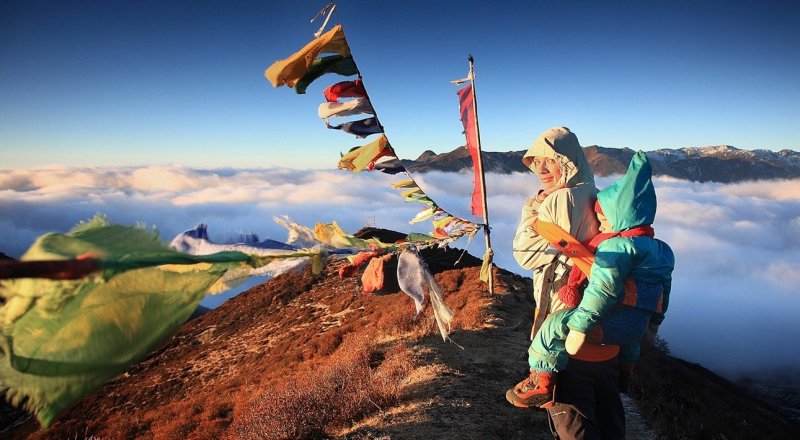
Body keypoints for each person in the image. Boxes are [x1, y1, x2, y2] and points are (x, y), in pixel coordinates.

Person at [507, 151, 675, 417]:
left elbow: (603, 289)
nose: (599, 224)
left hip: (607, 326)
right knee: (630, 325)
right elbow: (663, 293)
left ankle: (540, 382)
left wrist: (579, 326)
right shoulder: (663, 250)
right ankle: (626, 372)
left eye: (604, 218)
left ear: (621, 219)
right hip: (637, 328)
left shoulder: (617, 247)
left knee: (553, 327)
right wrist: (653, 325)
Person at [511, 127, 628, 438]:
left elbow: (526, 253)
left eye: (550, 160)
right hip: (603, 323)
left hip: (566, 331)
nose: (542, 169)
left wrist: (532, 207)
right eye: (536, 162)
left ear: (569, 162)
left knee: (574, 426)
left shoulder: (558, 199)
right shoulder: (595, 193)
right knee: (609, 421)